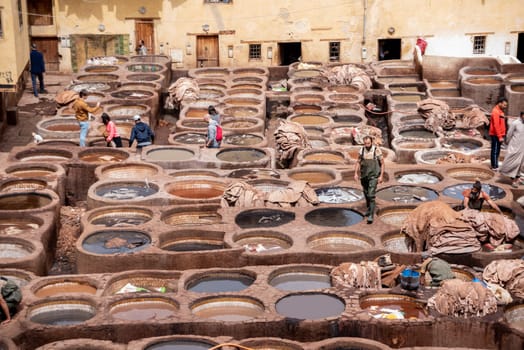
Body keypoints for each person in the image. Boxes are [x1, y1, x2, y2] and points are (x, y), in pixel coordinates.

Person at [354, 135, 385, 224]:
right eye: (365, 143)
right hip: (364, 176)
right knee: (366, 193)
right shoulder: (362, 150)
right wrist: (356, 173)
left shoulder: (376, 150)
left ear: (371, 142)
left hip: (373, 176)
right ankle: (369, 208)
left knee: (371, 195)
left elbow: (382, 163)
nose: (367, 145)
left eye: (368, 143)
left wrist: (381, 176)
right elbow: (358, 162)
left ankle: (371, 215)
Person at [500, 111, 524, 188]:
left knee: (520, 164)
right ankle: (513, 180)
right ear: (521, 115)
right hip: (514, 146)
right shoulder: (515, 123)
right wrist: (507, 143)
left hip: (522, 148)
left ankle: (516, 180)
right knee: (513, 163)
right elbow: (509, 134)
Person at [489, 97, 508, 171]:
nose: (505, 107)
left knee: (497, 150)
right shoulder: (495, 111)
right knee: (495, 150)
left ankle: (496, 164)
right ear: (499, 103)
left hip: (499, 134)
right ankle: (494, 166)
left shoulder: (500, 111)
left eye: (506, 105)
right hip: (495, 135)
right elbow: (496, 125)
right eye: (504, 105)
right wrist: (500, 136)